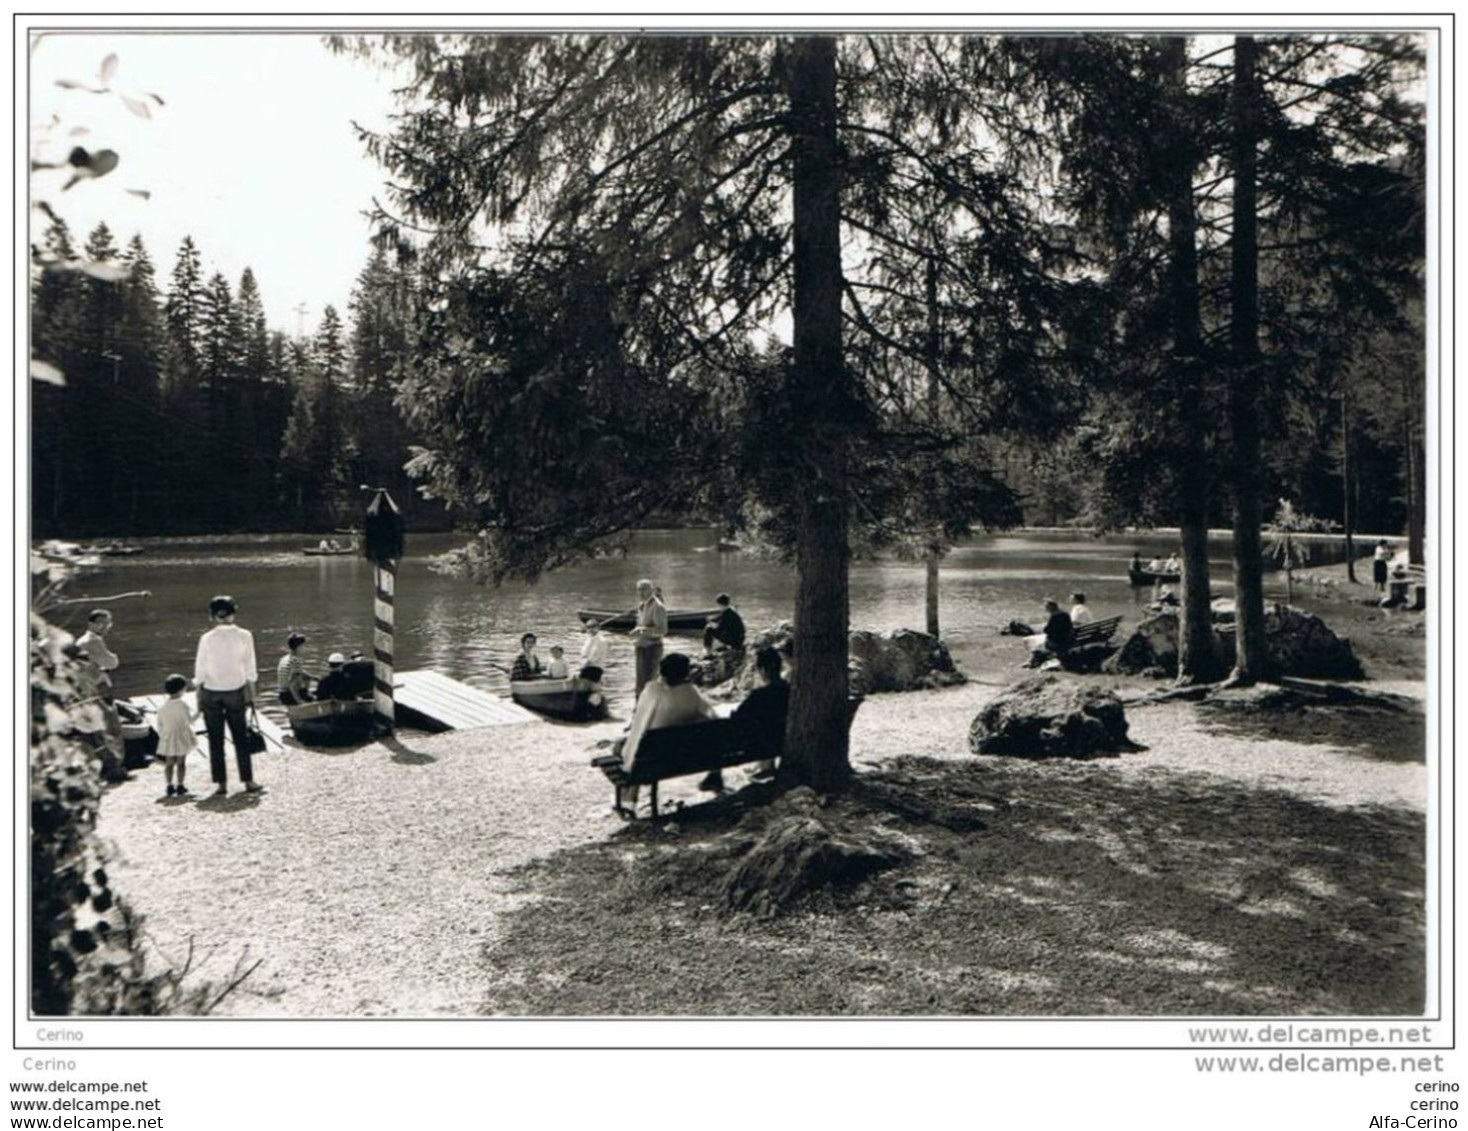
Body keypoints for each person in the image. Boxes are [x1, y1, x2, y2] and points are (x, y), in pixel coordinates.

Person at [615, 652, 716, 812]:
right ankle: (715, 777)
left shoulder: (652, 689)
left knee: (624, 744)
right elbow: (712, 717)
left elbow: (640, 723)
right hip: (677, 758)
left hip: (649, 759)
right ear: (685, 673)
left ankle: (629, 797)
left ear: (662, 671)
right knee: (647, 745)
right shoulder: (692, 693)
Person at [192, 595, 261, 797]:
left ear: (213, 616)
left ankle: (221, 784)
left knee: (215, 739)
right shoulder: (244, 635)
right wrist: (252, 691)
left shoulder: (206, 638)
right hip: (235, 690)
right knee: (241, 737)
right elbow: (250, 666)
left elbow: (200, 669)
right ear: (233, 613)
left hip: (211, 691)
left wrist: (198, 695)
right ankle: (248, 780)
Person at [731, 646, 790, 787]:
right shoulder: (791, 690)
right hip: (787, 739)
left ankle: (766, 767)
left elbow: (736, 720)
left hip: (759, 746)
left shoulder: (758, 695)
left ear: (762, 670)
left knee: (763, 729)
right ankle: (766, 767)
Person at [155, 674, 197, 798]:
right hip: (181, 737)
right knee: (181, 763)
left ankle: (169, 785)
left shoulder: (162, 708)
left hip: (168, 738)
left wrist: (163, 736)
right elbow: (189, 721)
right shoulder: (182, 705)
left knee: (169, 763)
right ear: (182, 689)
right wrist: (199, 713)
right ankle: (180, 785)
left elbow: (160, 725)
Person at [630, 579, 667, 699]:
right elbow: (642, 624)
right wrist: (637, 630)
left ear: (651, 590)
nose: (641, 592)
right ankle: (638, 710)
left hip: (652, 648)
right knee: (640, 682)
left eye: (644, 589)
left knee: (649, 683)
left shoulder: (658, 606)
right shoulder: (642, 605)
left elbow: (662, 630)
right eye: (639, 590)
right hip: (641, 647)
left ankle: (649, 709)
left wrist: (641, 631)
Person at [75, 609, 120, 694]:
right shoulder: (93, 641)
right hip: (88, 687)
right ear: (90, 625)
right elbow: (111, 663)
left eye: (108, 624)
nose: (105, 628)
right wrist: (114, 657)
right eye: (100, 624)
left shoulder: (83, 639)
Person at [1025, 598, 1073, 667]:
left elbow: (1048, 630)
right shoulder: (1065, 614)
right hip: (1068, 640)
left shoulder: (1054, 616)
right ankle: (1033, 660)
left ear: (1051, 607)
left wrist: (1044, 629)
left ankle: (1032, 661)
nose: (1045, 608)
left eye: (1046, 606)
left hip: (1057, 643)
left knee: (1033, 642)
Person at [276, 632, 314, 705]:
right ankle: (303, 697)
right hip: (289, 695)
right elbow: (293, 684)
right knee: (305, 679)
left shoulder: (284, 658)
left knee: (306, 676)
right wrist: (299, 701)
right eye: (303, 646)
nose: (305, 648)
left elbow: (298, 672)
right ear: (298, 647)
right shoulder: (296, 660)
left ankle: (304, 695)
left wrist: (314, 677)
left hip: (281, 694)